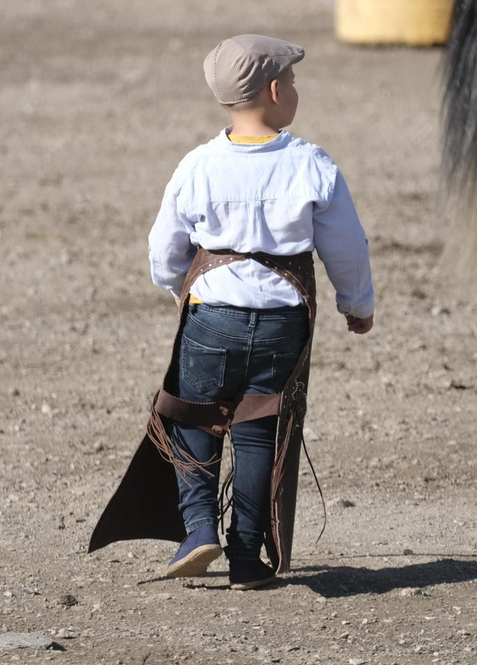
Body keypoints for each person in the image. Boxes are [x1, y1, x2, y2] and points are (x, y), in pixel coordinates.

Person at [89, 34, 376, 591]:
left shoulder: (197, 165)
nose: (295, 88)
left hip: (210, 317)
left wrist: (179, 289)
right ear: (274, 91)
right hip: (281, 325)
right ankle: (246, 557)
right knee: (258, 432)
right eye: (292, 80)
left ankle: (199, 530)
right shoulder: (310, 164)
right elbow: (346, 245)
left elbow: (163, 248)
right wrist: (356, 305)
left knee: (195, 418)